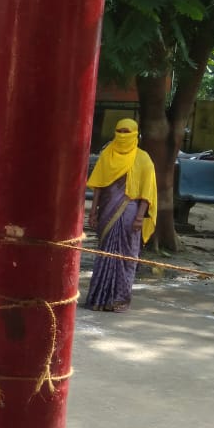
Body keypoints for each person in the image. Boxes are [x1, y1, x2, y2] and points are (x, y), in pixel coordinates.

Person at [85, 118, 157, 313]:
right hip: (106, 211)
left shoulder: (143, 158)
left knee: (127, 256)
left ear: (135, 134)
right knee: (104, 253)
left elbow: (147, 192)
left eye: (127, 132)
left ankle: (119, 299)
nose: (123, 136)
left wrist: (140, 217)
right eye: (120, 131)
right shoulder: (107, 154)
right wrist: (93, 211)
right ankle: (99, 299)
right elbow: (98, 186)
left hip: (130, 214)